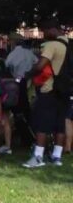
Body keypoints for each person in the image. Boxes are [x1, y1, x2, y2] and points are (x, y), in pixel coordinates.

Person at [23, 18, 69, 168]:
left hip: (49, 89)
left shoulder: (52, 45)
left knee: (43, 123)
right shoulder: (69, 45)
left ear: (52, 29)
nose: (44, 34)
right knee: (60, 125)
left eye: (45, 31)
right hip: (65, 90)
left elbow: (40, 66)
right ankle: (56, 157)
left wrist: (28, 74)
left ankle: (38, 157)